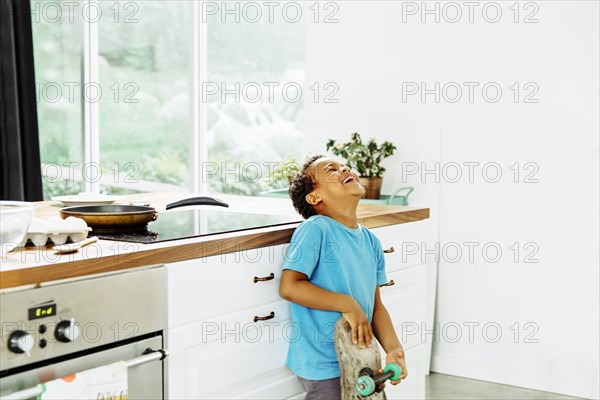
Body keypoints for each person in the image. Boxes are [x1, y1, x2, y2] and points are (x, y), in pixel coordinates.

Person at [279, 154, 408, 399]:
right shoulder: (316, 229)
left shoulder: (370, 240)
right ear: (315, 197)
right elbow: (290, 286)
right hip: (325, 364)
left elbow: (376, 306)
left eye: (343, 166)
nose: (344, 168)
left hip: (361, 358)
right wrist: (347, 304)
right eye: (331, 170)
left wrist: (393, 348)